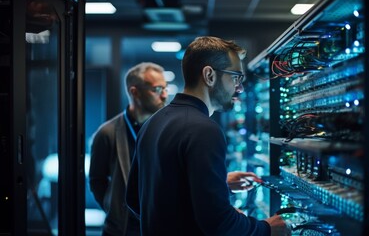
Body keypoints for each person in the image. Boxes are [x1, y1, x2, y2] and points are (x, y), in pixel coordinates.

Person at [126, 36, 290, 235]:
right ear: (209, 75)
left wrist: (218, 186)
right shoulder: (204, 130)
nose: (240, 88)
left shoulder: (152, 123)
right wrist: (266, 228)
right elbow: (218, 223)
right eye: (236, 77)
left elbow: (135, 199)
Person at [89, 62, 168, 236]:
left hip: (159, 225)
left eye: (165, 88)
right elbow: (97, 180)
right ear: (134, 92)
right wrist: (115, 210)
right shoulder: (107, 133)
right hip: (121, 229)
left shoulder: (167, 130)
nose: (164, 95)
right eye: (157, 89)